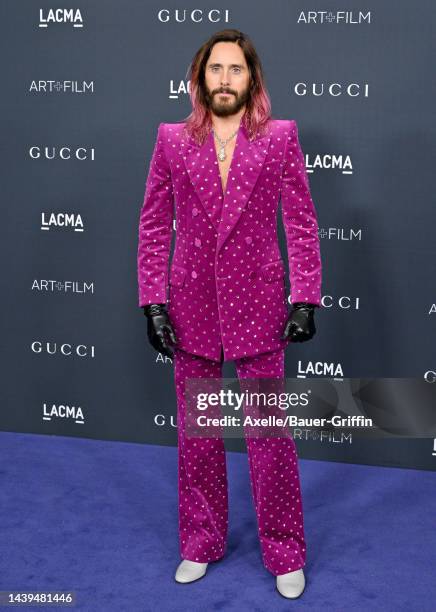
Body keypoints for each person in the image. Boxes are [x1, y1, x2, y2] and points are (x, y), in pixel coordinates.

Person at [137, 28, 322, 599]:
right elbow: (151, 224)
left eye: (234, 69)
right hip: (191, 304)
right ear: (200, 78)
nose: (224, 79)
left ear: (252, 78)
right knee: (199, 435)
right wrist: (153, 301)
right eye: (215, 69)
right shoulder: (171, 140)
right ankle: (199, 542)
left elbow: (301, 222)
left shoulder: (280, 138)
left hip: (260, 305)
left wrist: (306, 295)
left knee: (268, 435)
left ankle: (286, 552)